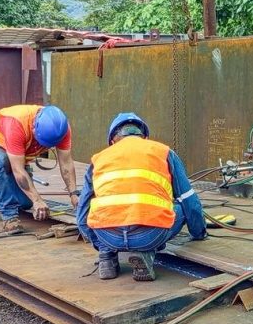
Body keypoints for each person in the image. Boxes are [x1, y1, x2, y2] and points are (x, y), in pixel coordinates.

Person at [76, 112, 207, 281]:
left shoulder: (98, 159)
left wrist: (101, 244)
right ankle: (145, 254)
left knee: (94, 210)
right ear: (144, 136)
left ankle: (107, 258)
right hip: (149, 236)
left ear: (112, 140)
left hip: (109, 237)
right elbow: (190, 201)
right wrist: (199, 233)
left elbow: (81, 216)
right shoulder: (163, 152)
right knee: (181, 208)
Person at [0, 104, 79, 232]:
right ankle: (9, 216)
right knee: (4, 163)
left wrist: (74, 194)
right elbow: (18, 170)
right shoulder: (17, 123)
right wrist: (37, 200)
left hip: (14, 155)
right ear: (34, 127)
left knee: (26, 202)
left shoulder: (61, 130)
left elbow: (66, 163)